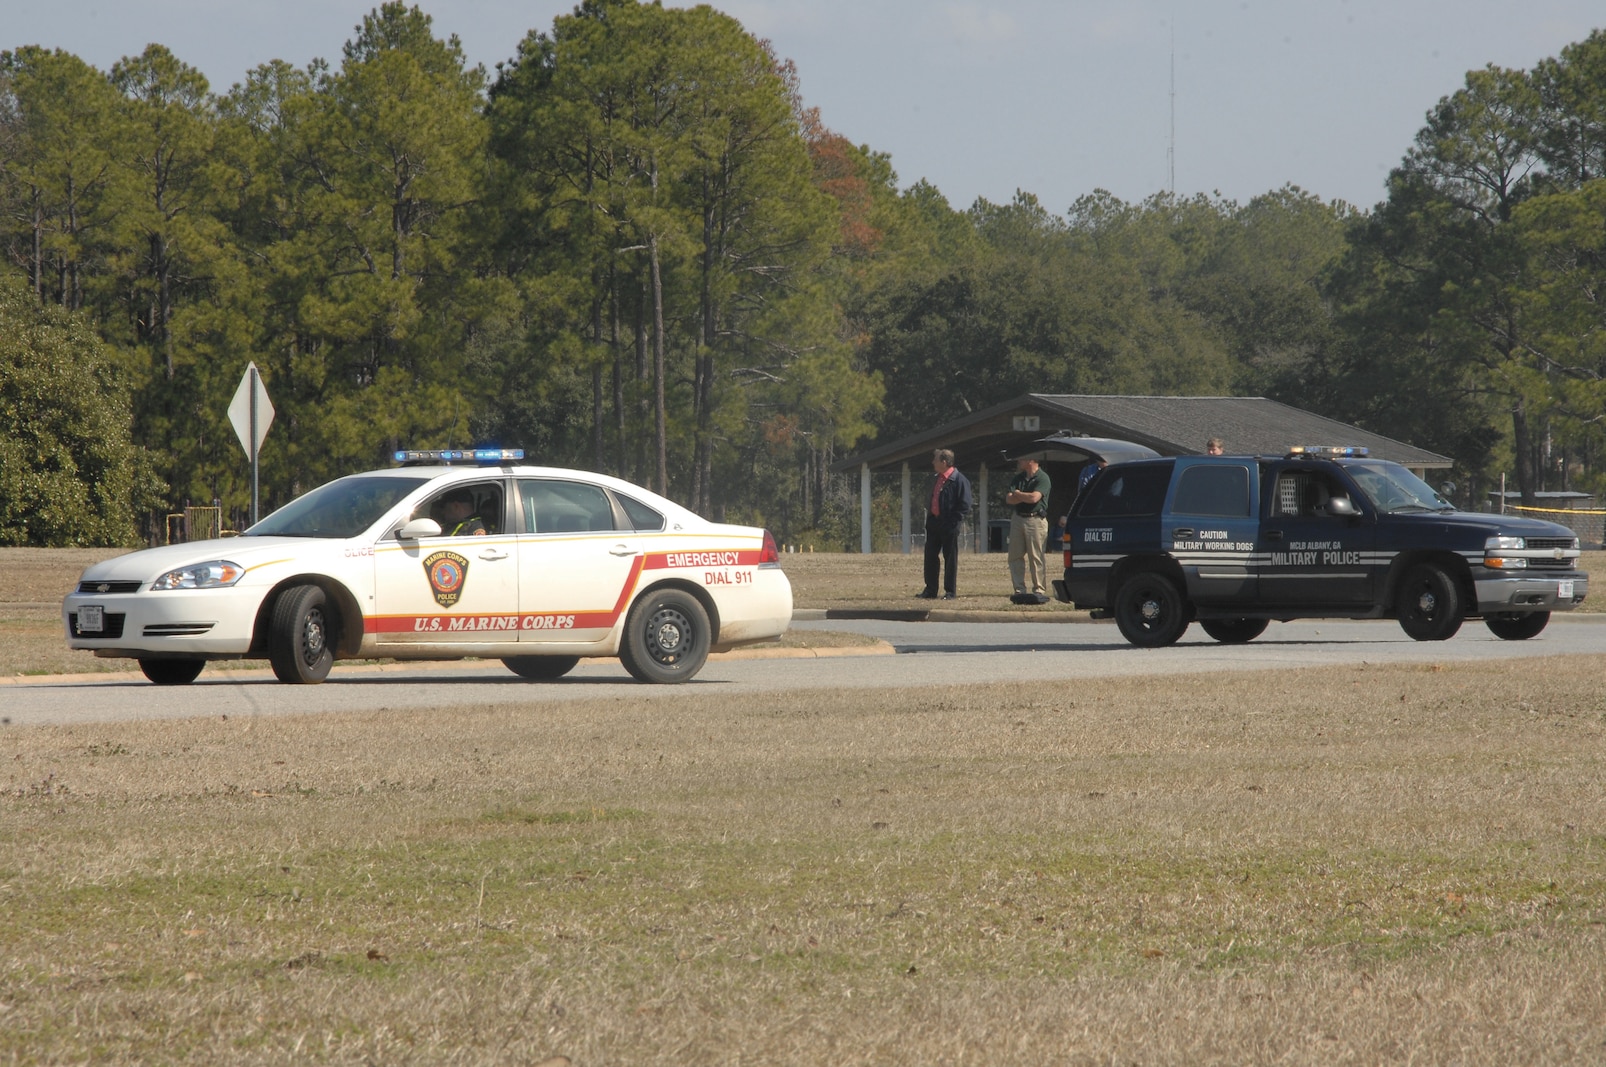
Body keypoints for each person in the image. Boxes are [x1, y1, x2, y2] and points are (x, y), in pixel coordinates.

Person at [917, 448, 972, 600]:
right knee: (930, 557)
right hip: (934, 523)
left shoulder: (959, 480)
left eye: (935, 459)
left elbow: (965, 504)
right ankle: (930, 590)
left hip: (949, 525)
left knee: (950, 558)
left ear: (944, 462)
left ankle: (950, 591)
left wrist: (954, 521)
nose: (932, 462)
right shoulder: (936, 478)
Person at [1005, 456, 1052, 603]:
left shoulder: (1043, 478)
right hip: (1018, 518)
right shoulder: (1018, 478)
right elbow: (1009, 499)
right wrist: (1021, 496)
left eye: (1021, 459)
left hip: (1035, 520)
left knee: (1036, 556)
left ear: (1031, 460)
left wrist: (1018, 494)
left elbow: (1034, 498)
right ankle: (1019, 589)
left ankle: (1039, 589)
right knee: (1015, 556)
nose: (1018, 461)